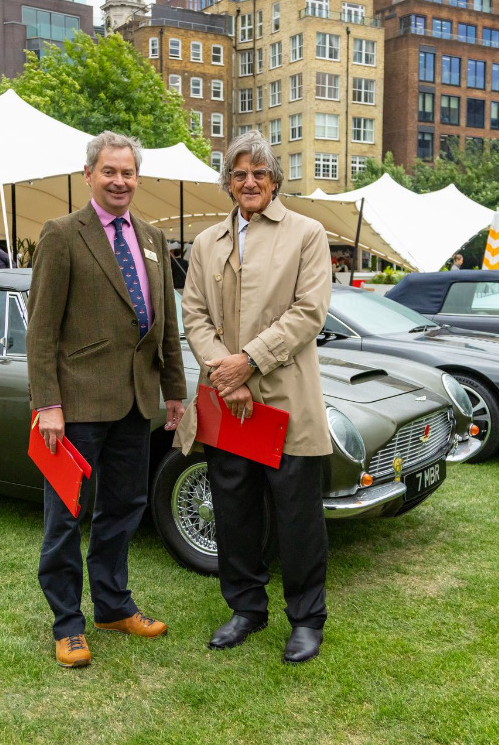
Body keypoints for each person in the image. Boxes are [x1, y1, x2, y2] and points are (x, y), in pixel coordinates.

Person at [26, 131, 187, 669]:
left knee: (124, 508)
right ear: (89, 174)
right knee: (65, 516)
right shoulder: (61, 234)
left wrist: (174, 391)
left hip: (136, 403)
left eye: (128, 172)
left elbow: (165, 322)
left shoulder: (152, 239)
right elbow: (41, 330)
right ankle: (67, 624)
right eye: (109, 171)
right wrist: (47, 404)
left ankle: (114, 607)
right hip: (75, 406)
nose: (120, 181)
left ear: (138, 178)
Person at [177, 132, 332, 664]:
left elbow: (309, 312)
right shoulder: (206, 243)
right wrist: (227, 374)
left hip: (286, 400)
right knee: (234, 512)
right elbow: (194, 315)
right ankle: (246, 608)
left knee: (298, 517)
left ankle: (306, 619)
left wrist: (249, 361)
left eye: (259, 173)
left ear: (275, 181)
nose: (249, 182)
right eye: (239, 174)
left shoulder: (307, 233)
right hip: (229, 402)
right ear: (227, 182)